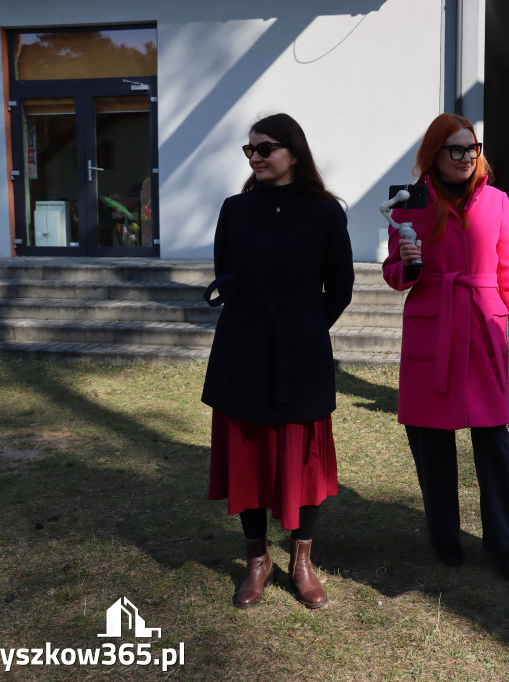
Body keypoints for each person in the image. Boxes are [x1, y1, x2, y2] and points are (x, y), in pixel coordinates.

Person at [382, 113, 509, 580]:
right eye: (455, 149)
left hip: (481, 328)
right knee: (432, 443)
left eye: (472, 148)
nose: (466, 157)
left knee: (494, 444)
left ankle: (504, 543)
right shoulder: (408, 202)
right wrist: (408, 265)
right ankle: (444, 538)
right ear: (434, 154)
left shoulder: (497, 201)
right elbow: (394, 274)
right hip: (431, 327)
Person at [202, 113, 354, 609]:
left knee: (302, 455)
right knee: (247, 454)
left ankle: (301, 560)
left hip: (301, 349)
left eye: (266, 148)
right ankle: (257, 559)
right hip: (243, 344)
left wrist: (304, 327)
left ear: (294, 151)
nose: (257, 157)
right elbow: (226, 273)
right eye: (250, 149)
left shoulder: (325, 212)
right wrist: (257, 324)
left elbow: (341, 286)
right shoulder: (234, 209)